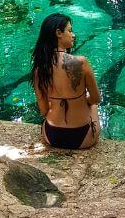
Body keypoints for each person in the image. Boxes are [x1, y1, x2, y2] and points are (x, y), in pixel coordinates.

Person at [31, 12, 101, 150]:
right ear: (58, 33)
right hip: (82, 137)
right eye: (69, 30)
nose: (73, 35)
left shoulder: (39, 70)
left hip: (52, 135)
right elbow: (96, 98)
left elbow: (44, 110)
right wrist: (84, 101)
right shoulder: (81, 62)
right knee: (93, 106)